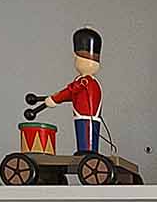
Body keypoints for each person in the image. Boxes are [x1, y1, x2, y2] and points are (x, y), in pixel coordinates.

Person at [27, 27, 104, 156]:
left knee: (85, 132)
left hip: (85, 115)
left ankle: (87, 151)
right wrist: (54, 99)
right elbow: (73, 95)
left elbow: (70, 91)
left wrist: (54, 99)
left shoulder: (84, 81)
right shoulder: (89, 81)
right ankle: (88, 150)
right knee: (87, 131)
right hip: (87, 114)